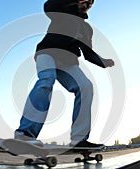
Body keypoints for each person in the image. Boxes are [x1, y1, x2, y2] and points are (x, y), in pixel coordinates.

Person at [14, 0, 114, 147]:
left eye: (90, 4)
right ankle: (25, 134)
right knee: (47, 80)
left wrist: (104, 62)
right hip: (47, 53)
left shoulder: (86, 29)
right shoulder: (61, 9)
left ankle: (79, 139)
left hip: (67, 62)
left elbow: (88, 53)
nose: (86, 6)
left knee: (85, 86)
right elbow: (48, 6)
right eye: (84, 1)